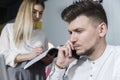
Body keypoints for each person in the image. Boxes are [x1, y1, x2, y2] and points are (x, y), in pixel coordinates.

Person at [47, 1, 120, 80]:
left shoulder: (117, 59)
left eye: (79, 31)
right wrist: (60, 66)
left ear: (101, 30)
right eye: (71, 33)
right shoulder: (73, 67)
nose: (72, 39)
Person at [0, 0, 52, 80]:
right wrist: (28, 56)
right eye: (34, 12)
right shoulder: (9, 28)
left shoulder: (42, 34)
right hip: (16, 74)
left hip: (38, 73)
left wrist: (47, 60)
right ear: (25, 11)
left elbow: (44, 60)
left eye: (40, 13)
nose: (37, 16)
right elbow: (3, 55)